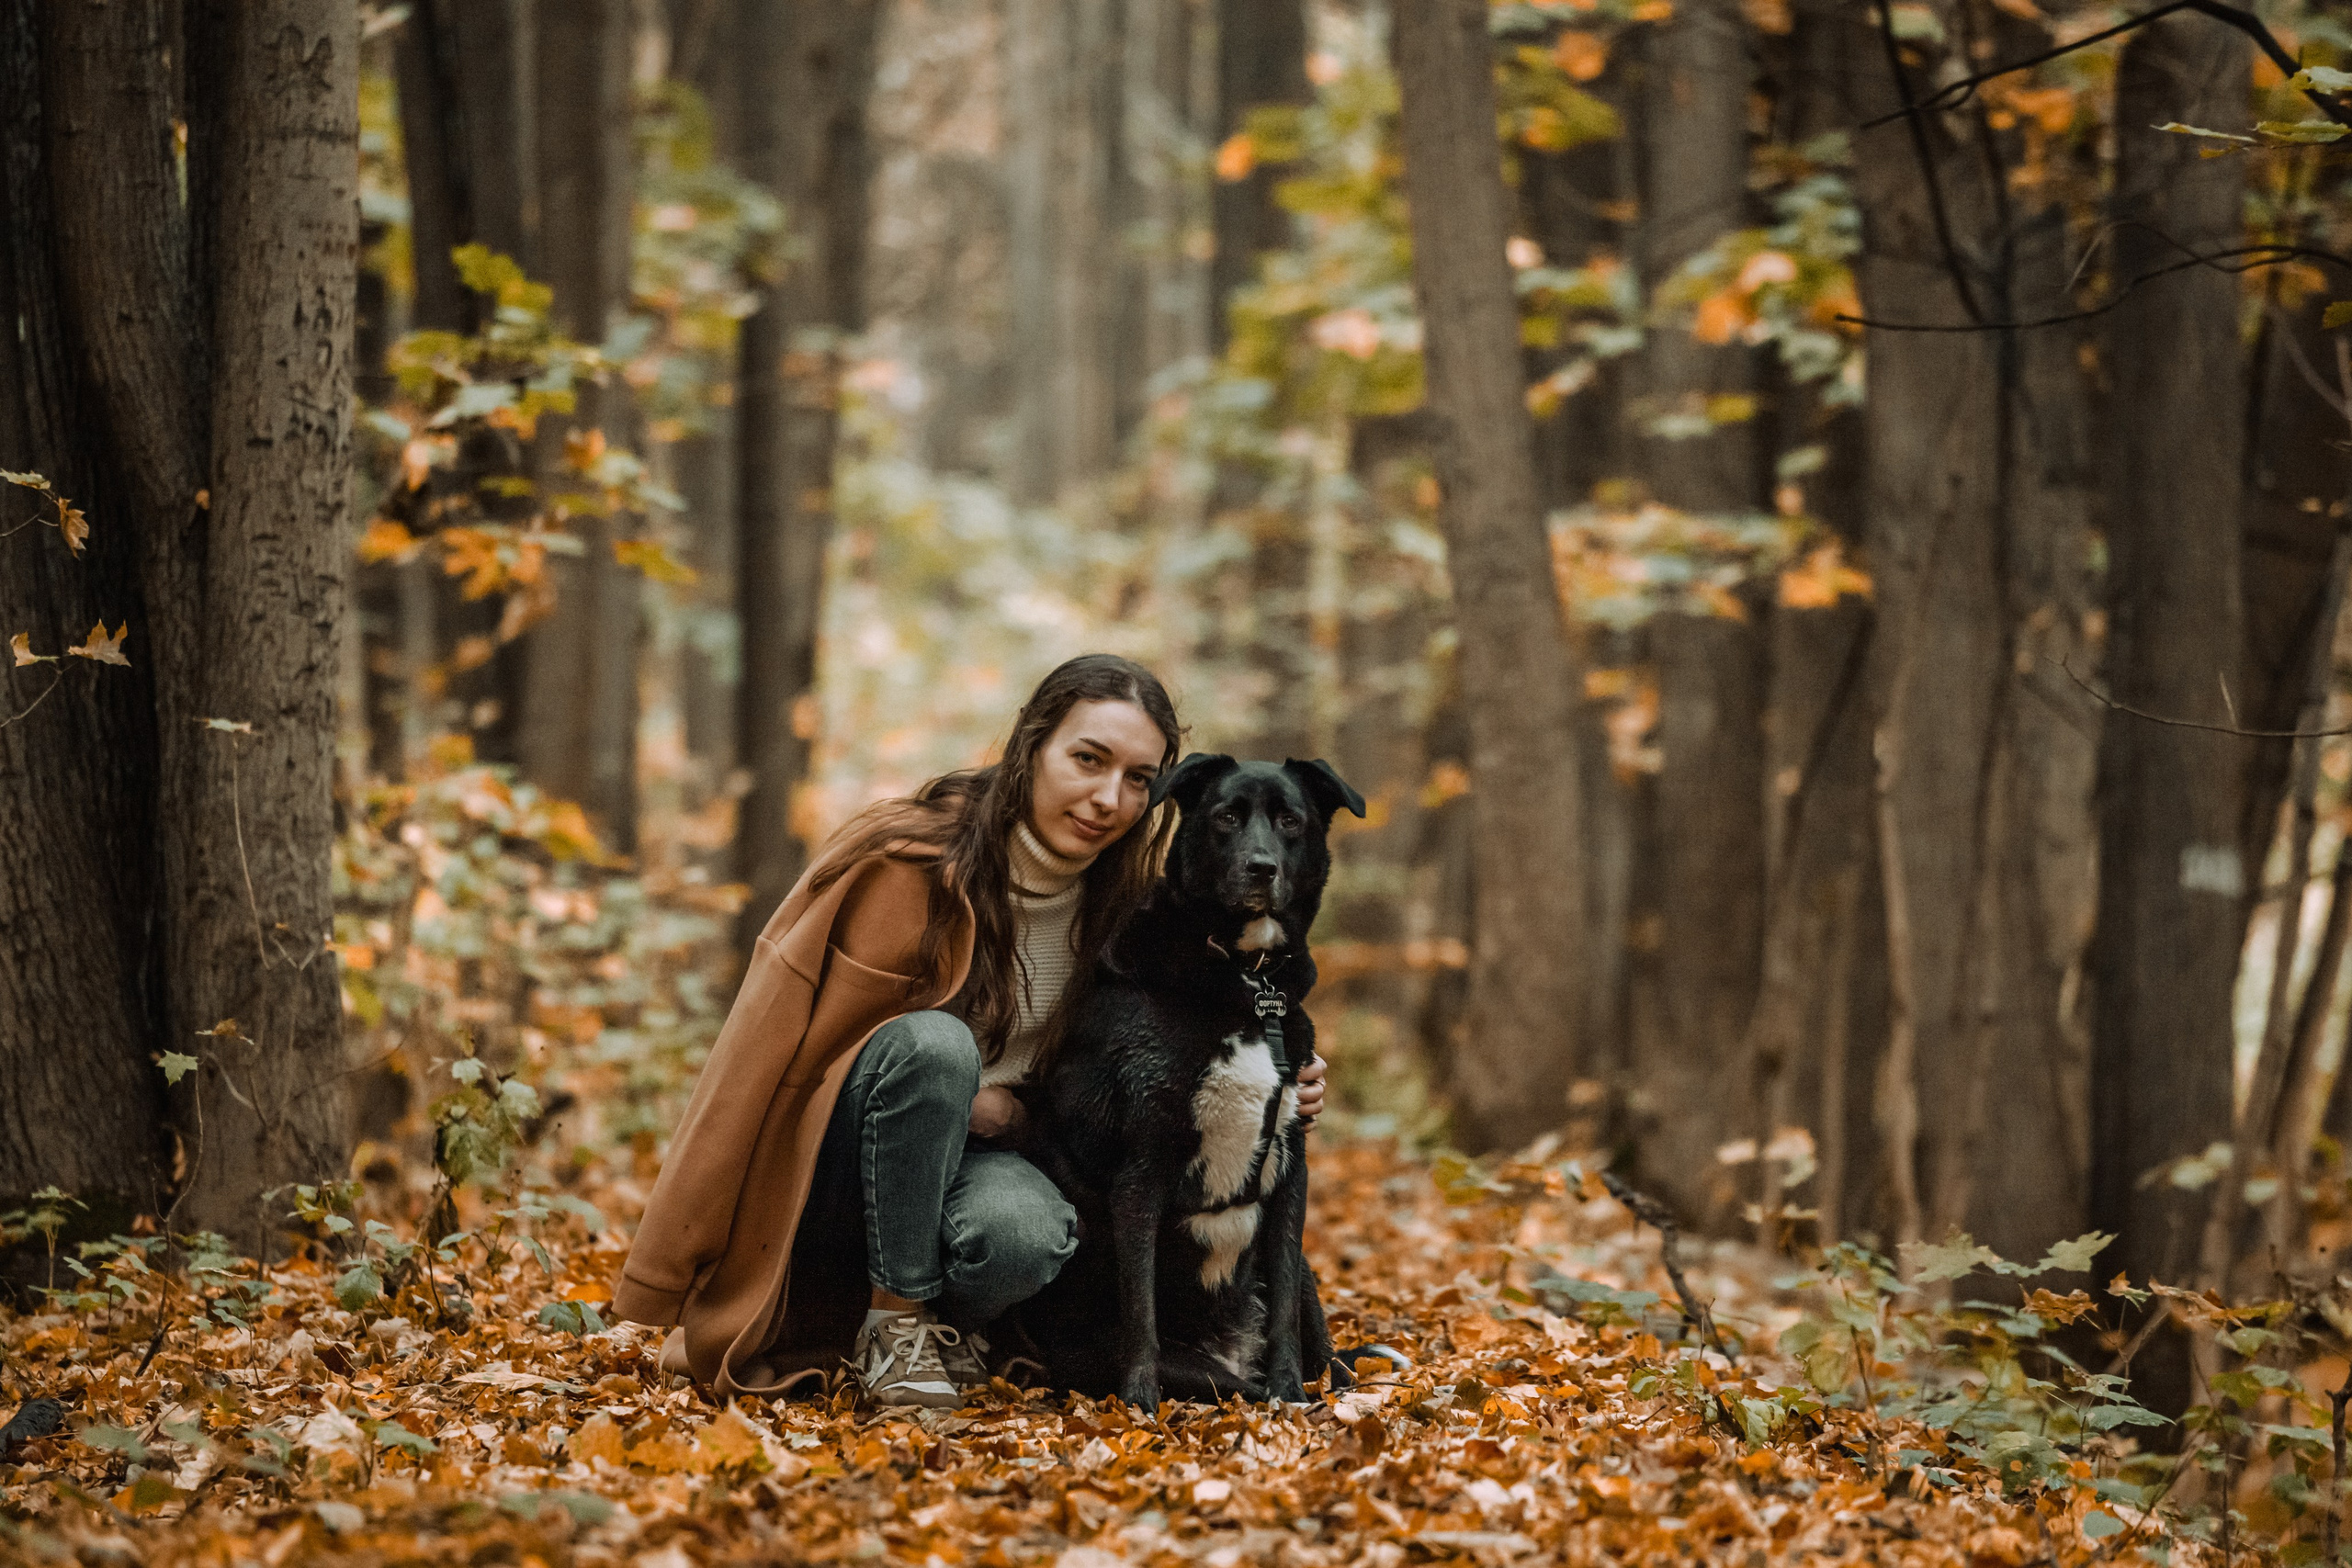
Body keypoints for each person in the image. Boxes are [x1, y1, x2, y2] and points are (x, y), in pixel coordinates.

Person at [611, 654, 1329, 1404]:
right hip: (841, 1168)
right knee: (936, 1047)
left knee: (1025, 1235)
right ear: (1031, 745)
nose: (1107, 797)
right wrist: (674, 1269)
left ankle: (965, 1332)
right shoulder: (904, 861)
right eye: (1088, 759)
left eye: (1138, 778)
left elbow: (1162, 1053)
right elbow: (763, 1057)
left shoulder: (1127, 908)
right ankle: (894, 1326)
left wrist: (1279, 1082)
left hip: (990, 1160)